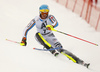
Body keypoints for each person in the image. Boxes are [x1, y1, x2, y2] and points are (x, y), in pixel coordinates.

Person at [20, 4, 90, 68]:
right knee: (37, 34)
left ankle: (80, 61)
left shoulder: (50, 17)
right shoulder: (36, 19)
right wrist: (24, 38)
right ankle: (53, 51)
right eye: (43, 12)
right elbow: (26, 28)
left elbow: (56, 23)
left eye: (46, 12)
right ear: (40, 12)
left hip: (50, 36)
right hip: (41, 36)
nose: (45, 14)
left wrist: (51, 26)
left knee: (60, 49)